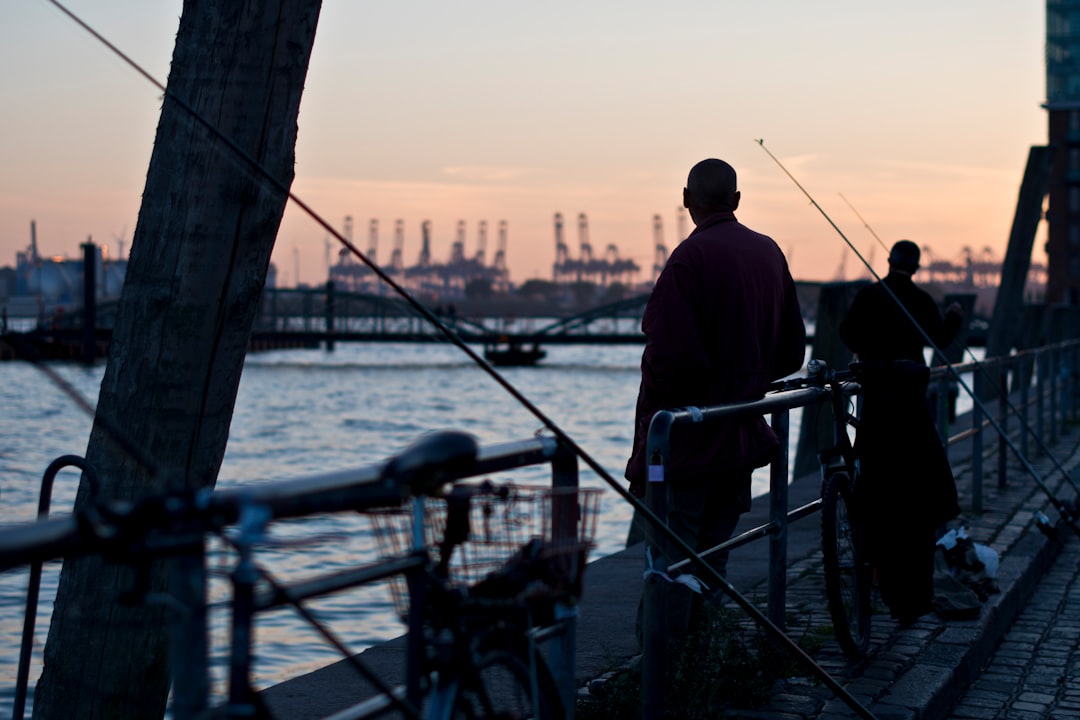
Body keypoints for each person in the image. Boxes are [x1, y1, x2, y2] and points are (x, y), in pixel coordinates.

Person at [626, 158, 806, 643]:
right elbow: (792, 351)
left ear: (686, 199)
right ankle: (699, 671)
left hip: (687, 445)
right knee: (713, 562)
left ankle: (658, 687)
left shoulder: (689, 259)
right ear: (738, 200)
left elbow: (667, 361)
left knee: (670, 562)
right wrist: (743, 382)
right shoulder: (769, 253)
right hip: (741, 435)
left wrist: (654, 441)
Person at [839, 239, 963, 625]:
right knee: (918, 491)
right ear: (918, 266)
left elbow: (846, 333)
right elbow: (940, 340)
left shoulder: (870, 296)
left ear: (889, 262)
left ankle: (874, 569)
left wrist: (871, 355)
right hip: (911, 408)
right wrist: (955, 316)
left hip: (877, 407)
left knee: (877, 489)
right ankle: (912, 592)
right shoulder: (923, 301)